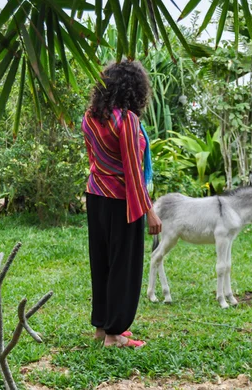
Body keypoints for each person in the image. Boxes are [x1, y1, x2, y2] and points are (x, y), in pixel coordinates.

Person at [82, 60, 162, 348]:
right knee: (123, 267)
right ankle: (115, 335)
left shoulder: (90, 116)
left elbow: (94, 160)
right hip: (121, 201)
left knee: (101, 262)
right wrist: (149, 212)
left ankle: (102, 328)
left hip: (95, 195)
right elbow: (131, 170)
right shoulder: (127, 120)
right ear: (134, 89)